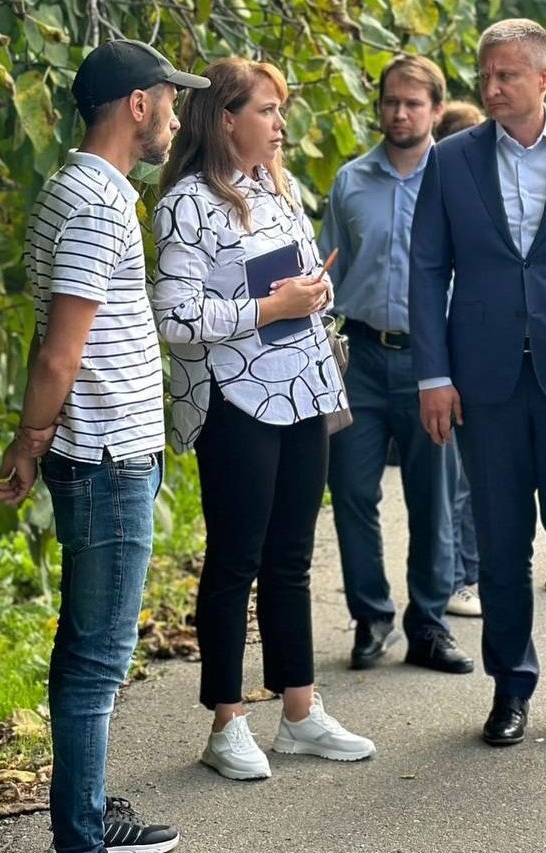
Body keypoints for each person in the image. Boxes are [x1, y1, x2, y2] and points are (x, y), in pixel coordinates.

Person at [0, 38, 209, 853]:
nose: (177, 116)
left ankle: (83, 805)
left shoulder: (71, 189)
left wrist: (37, 439)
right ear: (139, 106)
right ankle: (83, 832)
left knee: (85, 646)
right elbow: (60, 350)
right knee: (98, 657)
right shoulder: (99, 202)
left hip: (95, 452)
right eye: (170, 99)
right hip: (107, 457)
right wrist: (29, 436)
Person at [409, 18, 546, 748]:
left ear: (542, 79)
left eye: (507, 75)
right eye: (486, 74)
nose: (491, 87)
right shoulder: (449, 160)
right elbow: (426, 270)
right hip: (484, 384)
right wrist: (434, 375)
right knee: (501, 546)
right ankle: (510, 689)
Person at [152, 57, 374, 782]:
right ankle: (226, 719)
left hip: (303, 390)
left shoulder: (277, 188)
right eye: (268, 111)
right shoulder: (187, 202)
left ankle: (301, 713)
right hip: (234, 398)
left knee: (291, 558)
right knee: (235, 559)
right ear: (226, 119)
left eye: (281, 111)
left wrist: (311, 292)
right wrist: (270, 309)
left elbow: (305, 283)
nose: (281, 125)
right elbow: (177, 319)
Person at [318, 55, 476, 673]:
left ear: (437, 110)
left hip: (432, 361)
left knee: (433, 496)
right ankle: (371, 617)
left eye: (414, 102)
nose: (401, 112)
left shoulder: (461, 180)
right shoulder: (350, 180)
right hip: (358, 355)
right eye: (391, 101)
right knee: (352, 492)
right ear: (379, 106)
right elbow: (330, 270)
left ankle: (430, 626)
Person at [429, 99, 486, 618]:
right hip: (447, 355)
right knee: (453, 485)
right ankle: (454, 577)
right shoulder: (444, 179)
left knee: (467, 482)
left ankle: (467, 574)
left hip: (476, 353)